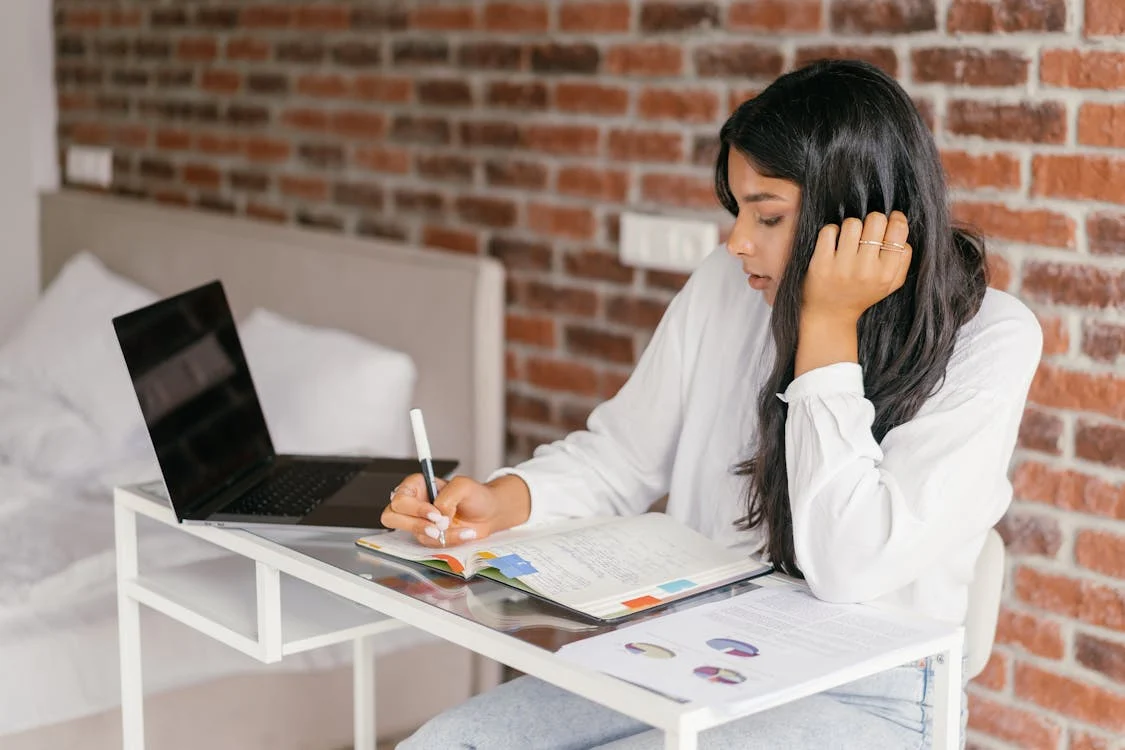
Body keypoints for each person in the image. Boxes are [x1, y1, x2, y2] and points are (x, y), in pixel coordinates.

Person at [384, 59, 1042, 749]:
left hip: (865, 692)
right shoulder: (724, 286)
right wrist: (508, 498)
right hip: (689, 653)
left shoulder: (989, 339)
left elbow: (849, 566)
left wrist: (825, 326)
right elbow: (622, 455)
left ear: (851, 213)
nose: (737, 242)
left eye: (768, 215)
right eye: (737, 211)